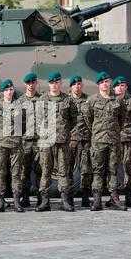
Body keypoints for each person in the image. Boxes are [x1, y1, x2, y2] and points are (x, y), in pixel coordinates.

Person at [84, 71, 127, 211]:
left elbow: (122, 118)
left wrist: (114, 131)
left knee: (113, 170)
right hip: (98, 142)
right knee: (97, 171)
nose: (105, 84)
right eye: (102, 82)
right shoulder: (91, 100)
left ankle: (115, 199)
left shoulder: (118, 101)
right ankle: (97, 201)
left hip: (114, 141)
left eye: (107, 81)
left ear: (110, 83)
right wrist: (98, 132)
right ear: (98, 84)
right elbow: (88, 120)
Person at [36, 71, 77, 212]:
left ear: (60, 83)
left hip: (62, 142)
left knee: (63, 171)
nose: (54, 85)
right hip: (46, 142)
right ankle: (44, 202)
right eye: (51, 83)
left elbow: (74, 120)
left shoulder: (68, 100)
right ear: (49, 84)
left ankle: (64, 201)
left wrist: (63, 132)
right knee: (45, 171)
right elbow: (37, 119)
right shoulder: (42, 100)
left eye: (56, 82)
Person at [0, 79, 24, 212]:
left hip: (15, 144)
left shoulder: (19, 105)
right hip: (0, 144)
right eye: (6, 90)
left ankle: (16, 201)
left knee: (16, 173)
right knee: (0, 173)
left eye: (11, 90)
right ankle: (0, 202)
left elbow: (23, 123)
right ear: (3, 92)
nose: (9, 92)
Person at [112, 76, 131, 207]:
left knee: (128, 167)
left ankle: (128, 196)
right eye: (118, 86)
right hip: (114, 140)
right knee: (113, 168)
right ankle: (114, 197)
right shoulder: (110, 101)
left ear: (126, 88)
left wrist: (128, 131)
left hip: (128, 140)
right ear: (114, 88)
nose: (120, 87)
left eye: (122, 85)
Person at [68, 74, 92, 208]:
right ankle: (69, 197)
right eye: (74, 84)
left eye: (79, 84)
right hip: (70, 140)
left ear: (82, 85)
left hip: (85, 139)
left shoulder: (88, 100)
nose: (77, 87)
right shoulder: (66, 100)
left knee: (86, 169)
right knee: (68, 169)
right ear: (71, 86)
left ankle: (85, 196)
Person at [18, 73, 42, 207]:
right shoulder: (20, 102)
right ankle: (25, 197)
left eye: (33, 82)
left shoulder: (42, 99)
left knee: (40, 170)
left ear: (36, 83)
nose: (31, 85)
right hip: (25, 141)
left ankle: (40, 197)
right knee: (24, 170)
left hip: (39, 141)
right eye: (28, 83)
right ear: (25, 84)